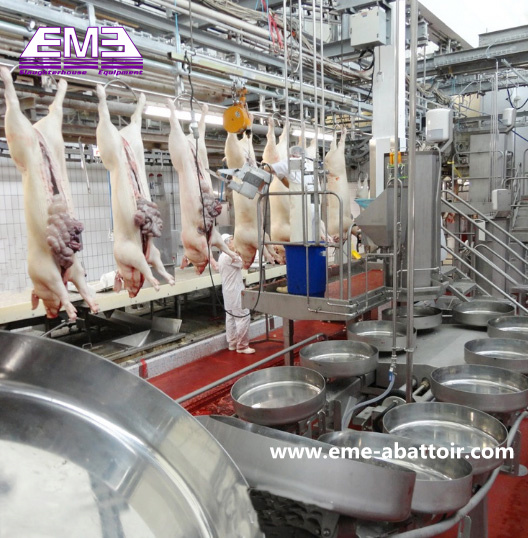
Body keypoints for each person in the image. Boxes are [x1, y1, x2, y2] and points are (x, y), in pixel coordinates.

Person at [217, 234, 255, 354]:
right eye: (233, 240)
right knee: (243, 316)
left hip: (227, 291)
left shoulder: (222, 256)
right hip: (235, 291)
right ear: (227, 243)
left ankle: (232, 343)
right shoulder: (230, 256)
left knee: (231, 317)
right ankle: (242, 346)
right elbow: (244, 264)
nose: (235, 242)